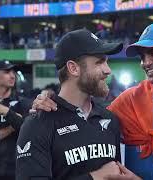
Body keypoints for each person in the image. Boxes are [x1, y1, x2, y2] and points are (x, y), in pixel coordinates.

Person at [32, 22, 153, 180]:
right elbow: (85, 118)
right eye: (142, 56)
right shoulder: (129, 101)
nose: (146, 62)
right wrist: (50, 101)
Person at [16, 29, 140, 180]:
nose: (108, 70)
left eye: (107, 62)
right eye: (99, 62)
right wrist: (94, 177)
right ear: (73, 68)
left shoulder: (110, 119)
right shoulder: (38, 124)